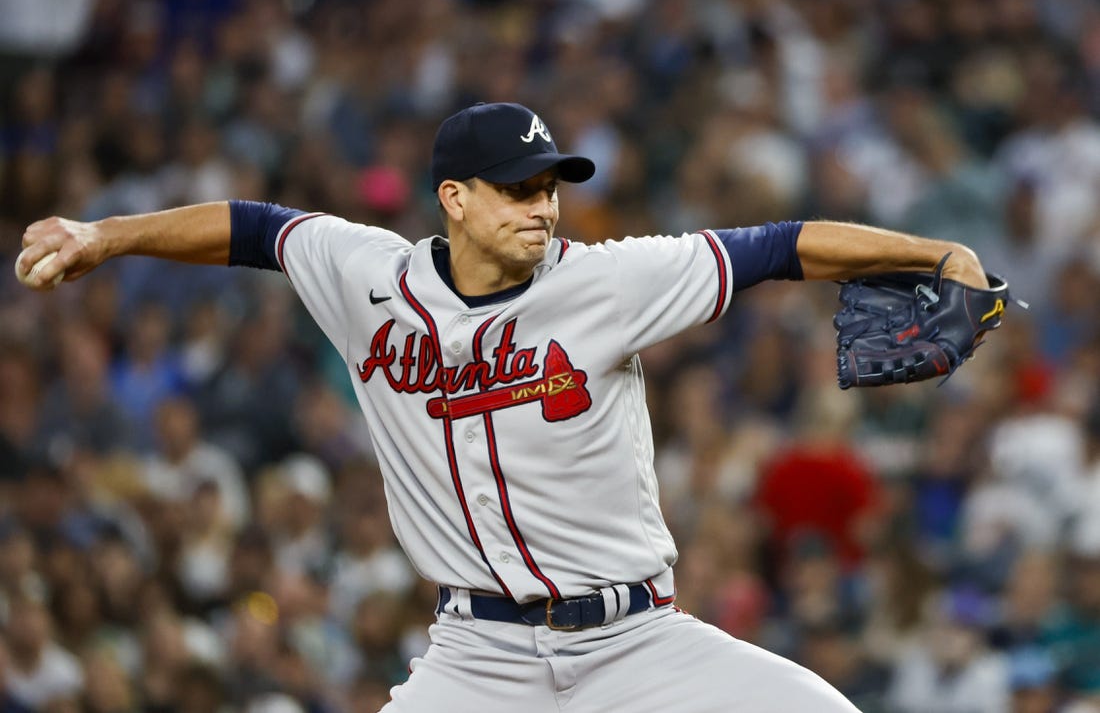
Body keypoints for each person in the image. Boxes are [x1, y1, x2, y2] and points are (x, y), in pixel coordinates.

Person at [16, 101, 991, 712]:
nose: (543, 204)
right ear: (452, 196)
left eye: (550, 185)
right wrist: (108, 235)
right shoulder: (369, 276)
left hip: (636, 643)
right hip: (475, 658)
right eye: (518, 188)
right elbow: (253, 228)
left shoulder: (610, 281)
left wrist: (927, 252)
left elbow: (781, 245)